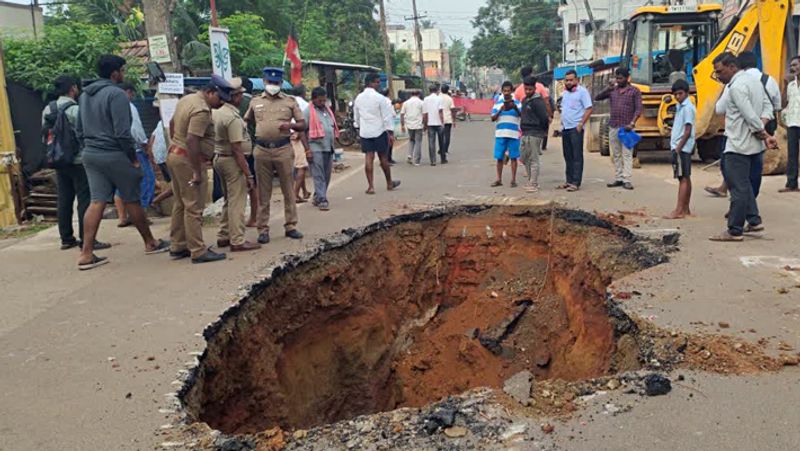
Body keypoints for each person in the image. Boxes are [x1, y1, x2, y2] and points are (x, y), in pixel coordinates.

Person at [75, 55, 169, 270]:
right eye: (123, 70)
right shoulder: (116, 94)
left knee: (96, 201)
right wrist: (133, 158)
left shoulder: (84, 96)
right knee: (132, 199)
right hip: (114, 153)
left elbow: (79, 129)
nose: (124, 74)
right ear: (115, 72)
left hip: (91, 153)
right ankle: (150, 242)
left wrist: (89, 147)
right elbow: (122, 132)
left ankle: (86, 253)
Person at [709, 52, 778, 242]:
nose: (719, 76)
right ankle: (754, 220)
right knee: (745, 185)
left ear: (732, 67)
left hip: (738, 145)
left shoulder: (737, 86)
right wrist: (763, 130)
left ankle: (734, 230)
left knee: (737, 188)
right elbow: (767, 108)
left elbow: (748, 115)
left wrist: (763, 134)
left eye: (720, 71)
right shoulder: (756, 81)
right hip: (754, 145)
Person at [42, 75, 110, 251]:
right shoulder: (75, 109)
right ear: (73, 88)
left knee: (64, 199)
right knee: (84, 200)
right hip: (78, 160)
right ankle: (87, 239)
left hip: (58, 159)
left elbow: (45, 134)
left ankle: (66, 238)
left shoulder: (47, 110)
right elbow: (85, 131)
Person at [167, 76, 231, 263]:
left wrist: (175, 144)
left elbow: (172, 124)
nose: (221, 104)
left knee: (180, 203)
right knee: (194, 206)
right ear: (210, 92)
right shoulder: (201, 110)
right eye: (220, 99)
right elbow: (192, 139)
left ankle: (178, 245)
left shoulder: (187, 99)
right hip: (188, 160)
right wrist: (196, 170)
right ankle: (198, 250)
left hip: (176, 155)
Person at [244, 67, 306, 244]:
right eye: (270, 82)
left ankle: (291, 226)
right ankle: (262, 229)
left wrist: (290, 126)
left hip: (283, 149)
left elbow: (302, 124)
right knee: (264, 191)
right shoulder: (255, 102)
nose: (273, 85)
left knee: (288, 188)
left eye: (276, 83)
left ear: (281, 83)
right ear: (264, 82)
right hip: (261, 150)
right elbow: (246, 121)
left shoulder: (289, 101)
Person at [212, 77, 261, 252]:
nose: (242, 97)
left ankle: (224, 235)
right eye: (239, 94)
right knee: (237, 202)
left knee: (228, 199)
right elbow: (237, 149)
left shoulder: (217, 112)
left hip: (220, 158)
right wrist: (247, 173)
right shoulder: (231, 117)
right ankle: (237, 240)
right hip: (232, 161)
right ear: (234, 97)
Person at [353, 72, 401, 194]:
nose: (379, 84)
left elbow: (356, 117)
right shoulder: (380, 98)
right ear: (372, 83)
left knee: (368, 158)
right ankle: (389, 183)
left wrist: (358, 127)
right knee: (383, 158)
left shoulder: (358, 98)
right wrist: (390, 133)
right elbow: (386, 117)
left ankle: (371, 186)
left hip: (365, 132)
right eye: (377, 82)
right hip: (379, 131)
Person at [114, 82, 154, 226]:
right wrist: (145, 144)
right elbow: (135, 129)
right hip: (135, 149)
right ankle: (141, 215)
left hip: (118, 151)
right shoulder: (129, 107)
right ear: (129, 92)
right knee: (147, 180)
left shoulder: (111, 106)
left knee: (122, 183)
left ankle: (122, 217)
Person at [596, 67, 643, 190]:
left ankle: (627, 179)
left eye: (620, 78)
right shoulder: (613, 90)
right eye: (617, 78)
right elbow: (597, 97)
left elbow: (638, 109)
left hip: (627, 128)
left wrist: (632, 123)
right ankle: (618, 177)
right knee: (616, 154)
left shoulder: (634, 91)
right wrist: (608, 87)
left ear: (627, 78)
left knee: (627, 154)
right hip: (614, 126)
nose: (618, 80)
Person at [301, 87, 339, 211]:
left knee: (327, 175)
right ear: (314, 99)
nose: (323, 103)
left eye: (324, 101)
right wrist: (307, 150)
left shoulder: (327, 110)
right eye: (320, 101)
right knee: (318, 175)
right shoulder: (308, 112)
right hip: (315, 147)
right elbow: (302, 131)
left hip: (328, 147)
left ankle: (318, 196)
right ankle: (322, 199)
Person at [664, 79, 696, 219]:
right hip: (682, 146)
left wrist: (678, 147)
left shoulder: (688, 108)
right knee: (686, 177)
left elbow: (687, 130)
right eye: (676, 94)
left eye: (680, 93)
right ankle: (685, 208)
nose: (678, 97)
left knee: (682, 177)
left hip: (681, 147)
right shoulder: (680, 107)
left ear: (686, 93)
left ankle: (679, 210)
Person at [559, 69, 593, 192]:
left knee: (576, 155)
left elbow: (589, 109)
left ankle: (575, 182)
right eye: (566, 80)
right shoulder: (565, 93)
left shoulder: (582, 92)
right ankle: (568, 180)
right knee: (567, 155)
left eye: (571, 80)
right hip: (566, 128)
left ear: (576, 80)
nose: (568, 82)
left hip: (575, 128)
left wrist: (581, 124)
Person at [519, 76, 550, 193]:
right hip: (525, 132)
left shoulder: (538, 101)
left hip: (535, 133)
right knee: (524, 158)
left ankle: (534, 183)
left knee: (533, 159)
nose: (528, 92)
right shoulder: (524, 100)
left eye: (530, 89)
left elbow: (544, 118)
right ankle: (530, 180)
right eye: (526, 89)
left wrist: (543, 132)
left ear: (534, 88)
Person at [490, 81, 522, 187]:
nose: (507, 92)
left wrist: (515, 108)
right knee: (499, 157)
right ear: (502, 91)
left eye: (508, 90)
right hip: (500, 134)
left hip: (513, 134)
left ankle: (513, 180)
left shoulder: (517, 103)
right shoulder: (498, 103)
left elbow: (522, 115)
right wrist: (500, 110)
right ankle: (499, 179)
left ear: (512, 91)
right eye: (505, 91)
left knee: (513, 157)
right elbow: (492, 118)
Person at [238, 77, 259, 227]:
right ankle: (254, 216)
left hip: (238, 149)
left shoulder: (235, 104)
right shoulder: (255, 103)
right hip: (254, 147)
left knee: (240, 184)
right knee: (253, 182)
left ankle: (246, 218)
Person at [782, 56, 800, 193]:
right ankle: (791, 183)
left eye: (795, 65)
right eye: (791, 66)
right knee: (792, 154)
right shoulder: (791, 85)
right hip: (793, 123)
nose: (792, 68)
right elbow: (786, 104)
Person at [290, 84, 311, 203]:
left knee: (298, 165)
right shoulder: (305, 105)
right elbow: (304, 126)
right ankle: (295, 194)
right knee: (302, 166)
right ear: (303, 93)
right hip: (298, 137)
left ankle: (304, 190)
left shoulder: (287, 101)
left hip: (286, 136)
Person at [422, 84, 445, 165]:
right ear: (437, 90)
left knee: (431, 142)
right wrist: (442, 122)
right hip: (438, 123)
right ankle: (443, 158)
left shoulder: (426, 99)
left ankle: (433, 160)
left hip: (430, 123)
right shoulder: (439, 98)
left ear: (429, 90)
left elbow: (425, 114)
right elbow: (440, 111)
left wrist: (425, 125)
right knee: (441, 141)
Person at [400, 90, 424, 165]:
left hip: (409, 124)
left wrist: (402, 125)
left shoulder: (406, 103)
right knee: (418, 142)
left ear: (411, 94)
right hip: (418, 125)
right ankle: (417, 160)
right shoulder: (421, 103)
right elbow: (425, 114)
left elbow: (402, 114)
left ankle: (409, 155)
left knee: (411, 140)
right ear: (419, 94)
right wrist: (425, 124)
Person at [380, 88, 398, 164]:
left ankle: (385, 159)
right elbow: (393, 114)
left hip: (381, 125)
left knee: (384, 143)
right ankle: (388, 159)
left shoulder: (380, 101)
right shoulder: (388, 102)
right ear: (388, 94)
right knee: (390, 143)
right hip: (389, 125)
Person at [440, 85, 457, 156]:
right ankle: (445, 149)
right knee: (447, 135)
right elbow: (452, 110)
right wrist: (454, 120)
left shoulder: (438, 98)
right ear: (447, 90)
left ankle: (441, 149)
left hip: (439, 120)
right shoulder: (449, 99)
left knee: (440, 136)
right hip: (448, 119)